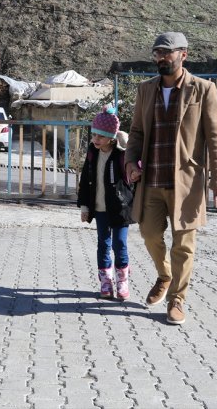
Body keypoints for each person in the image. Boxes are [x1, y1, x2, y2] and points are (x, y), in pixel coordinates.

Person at [124, 31, 217, 325]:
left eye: (166, 53)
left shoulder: (203, 89)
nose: (161, 58)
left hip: (187, 182)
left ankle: (177, 300)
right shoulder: (146, 90)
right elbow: (137, 132)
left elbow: (215, 138)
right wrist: (131, 161)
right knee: (149, 234)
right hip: (152, 179)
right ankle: (165, 275)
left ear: (184, 54)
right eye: (157, 53)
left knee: (183, 245)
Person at [77, 106, 135, 300]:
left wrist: (126, 144)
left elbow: (137, 166)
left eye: (100, 137)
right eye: (94, 135)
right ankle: (105, 282)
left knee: (119, 244)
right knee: (103, 244)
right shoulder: (92, 154)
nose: (95, 140)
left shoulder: (120, 155)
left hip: (120, 209)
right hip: (100, 209)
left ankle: (122, 281)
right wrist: (85, 207)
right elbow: (85, 181)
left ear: (111, 137)